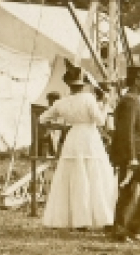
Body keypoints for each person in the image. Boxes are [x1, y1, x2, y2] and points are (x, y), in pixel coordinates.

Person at [38, 74, 116, 230]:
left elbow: (42, 119)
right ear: (83, 85)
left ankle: (77, 219)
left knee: (75, 175)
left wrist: (61, 127)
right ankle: (100, 217)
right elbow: (100, 120)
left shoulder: (62, 102)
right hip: (89, 137)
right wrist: (106, 105)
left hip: (73, 137)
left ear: (69, 85)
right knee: (95, 175)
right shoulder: (88, 98)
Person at [111, 68, 140, 243]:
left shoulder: (133, 100)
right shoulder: (130, 101)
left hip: (136, 153)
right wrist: (132, 157)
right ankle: (133, 228)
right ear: (134, 80)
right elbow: (127, 132)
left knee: (127, 192)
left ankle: (121, 230)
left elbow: (139, 132)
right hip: (135, 156)